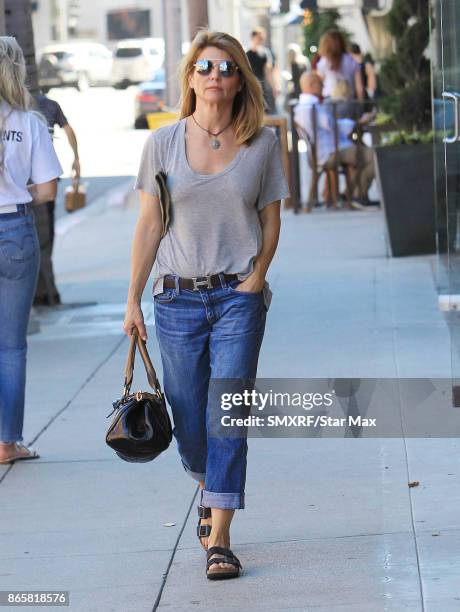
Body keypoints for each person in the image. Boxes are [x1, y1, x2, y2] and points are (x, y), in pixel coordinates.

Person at [124, 30, 289, 579]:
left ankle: (220, 536)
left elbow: (271, 219)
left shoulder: (263, 143)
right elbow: (149, 224)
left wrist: (257, 277)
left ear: (240, 78)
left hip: (238, 296)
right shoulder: (163, 143)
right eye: (205, 66)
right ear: (190, 77)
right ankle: (205, 479)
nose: (215, 74)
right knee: (190, 416)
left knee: (228, 413)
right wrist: (132, 302)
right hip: (176, 298)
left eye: (226, 66)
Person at [0, 37, 62, 464]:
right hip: (15, 230)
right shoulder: (30, 121)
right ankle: (7, 442)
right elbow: (46, 190)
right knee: (11, 346)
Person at [294, 72, 377, 208]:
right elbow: (331, 125)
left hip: (324, 152)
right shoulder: (312, 106)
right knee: (376, 156)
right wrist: (359, 123)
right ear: (311, 85)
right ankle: (357, 195)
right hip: (331, 152)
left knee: (364, 156)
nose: (323, 86)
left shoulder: (301, 106)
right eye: (320, 83)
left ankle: (350, 194)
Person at [32, 92, 80, 306]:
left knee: (39, 240)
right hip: (46, 179)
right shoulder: (50, 105)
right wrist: (76, 158)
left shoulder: (18, 107)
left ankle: (44, 292)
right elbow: (69, 130)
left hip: (28, 184)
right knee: (45, 240)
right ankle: (47, 292)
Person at [316, 30, 365, 106]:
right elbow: (360, 88)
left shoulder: (324, 61)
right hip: (349, 101)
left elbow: (319, 83)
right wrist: (360, 105)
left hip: (330, 100)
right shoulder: (351, 60)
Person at [246, 27, 278, 114]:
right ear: (253, 38)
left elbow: (269, 71)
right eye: (259, 38)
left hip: (263, 85)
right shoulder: (246, 54)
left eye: (262, 38)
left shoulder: (265, 53)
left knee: (266, 110)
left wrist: (274, 87)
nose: (261, 40)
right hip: (251, 86)